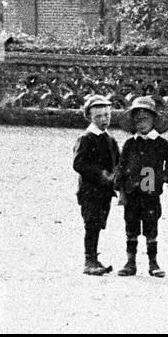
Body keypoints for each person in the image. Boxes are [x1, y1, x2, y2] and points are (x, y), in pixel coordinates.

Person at [114, 96, 168, 278]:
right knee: (131, 227)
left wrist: (164, 178)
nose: (141, 124)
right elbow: (121, 166)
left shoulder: (161, 144)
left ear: (153, 120)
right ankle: (130, 262)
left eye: (145, 120)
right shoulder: (130, 144)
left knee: (151, 227)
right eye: (137, 120)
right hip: (132, 192)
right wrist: (120, 189)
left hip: (151, 194)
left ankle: (153, 262)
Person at [72, 94, 119, 275]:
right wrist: (101, 174)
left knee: (98, 223)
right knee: (91, 223)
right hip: (90, 190)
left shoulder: (109, 138)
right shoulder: (86, 138)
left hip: (105, 191)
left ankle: (94, 258)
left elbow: (117, 160)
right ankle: (89, 259)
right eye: (98, 116)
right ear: (89, 117)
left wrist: (117, 176)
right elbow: (79, 163)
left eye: (107, 115)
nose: (103, 119)